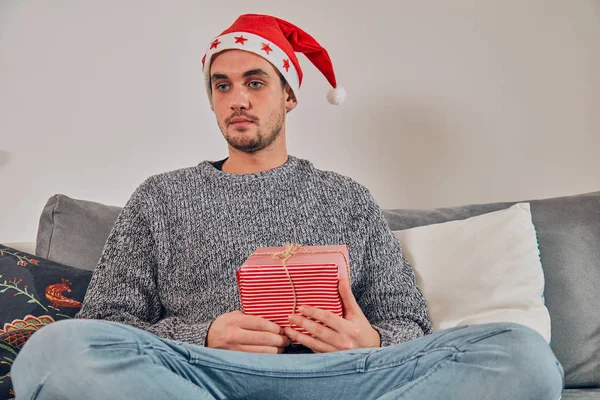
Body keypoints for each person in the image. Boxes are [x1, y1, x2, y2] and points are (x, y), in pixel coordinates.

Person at [12, 13, 563, 399]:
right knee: (54, 349)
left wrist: (366, 338)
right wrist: (201, 334)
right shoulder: (160, 196)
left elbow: (410, 323)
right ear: (211, 100)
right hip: (203, 378)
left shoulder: (346, 198)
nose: (239, 99)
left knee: (522, 353)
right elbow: (108, 322)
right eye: (222, 86)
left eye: (255, 82)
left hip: (352, 377)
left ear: (289, 96)